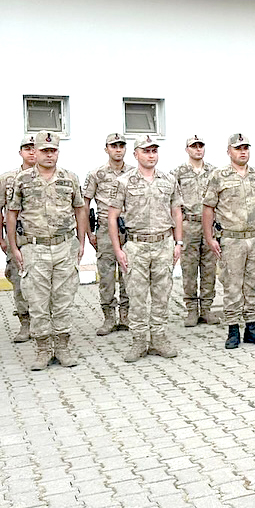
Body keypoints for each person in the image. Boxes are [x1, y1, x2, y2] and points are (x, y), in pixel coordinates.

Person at [6, 131, 88, 371]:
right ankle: (43, 349)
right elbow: (11, 214)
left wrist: (81, 242)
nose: (49, 155)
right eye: (44, 151)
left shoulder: (70, 178)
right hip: (34, 247)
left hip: (64, 246)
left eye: (53, 151)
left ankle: (62, 347)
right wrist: (14, 247)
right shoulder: (22, 180)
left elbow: (80, 209)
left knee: (63, 300)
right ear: (36, 152)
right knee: (38, 301)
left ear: (58, 153)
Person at [109, 136, 184, 363]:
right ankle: (139, 341)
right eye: (146, 151)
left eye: (154, 151)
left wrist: (178, 242)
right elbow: (112, 217)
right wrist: (118, 249)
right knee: (137, 296)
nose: (151, 155)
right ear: (136, 154)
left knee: (162, 295)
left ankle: (159, 338)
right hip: (136, 245)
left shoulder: (168, 180)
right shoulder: (124, 182)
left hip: (163, 244)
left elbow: (177, 212)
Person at [202, 133, 255, 350]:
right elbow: (208, 207)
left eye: (245, 148)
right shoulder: (218, 176)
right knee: (232, 285)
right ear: (229, 151)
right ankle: (233, 328)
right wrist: (209, 237)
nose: (243, 151)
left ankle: (251, 327)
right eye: (238, 148)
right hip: (232, 239)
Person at [84, 133, 133, 335]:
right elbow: (84, 205)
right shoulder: (96, 174)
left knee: (128, 273)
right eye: (114, 146)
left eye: (121, 145)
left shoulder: (133, 172)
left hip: (128, 229)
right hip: (104, 228)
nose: (118, 149)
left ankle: (126, 316)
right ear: (107, 149)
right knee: (106, 275)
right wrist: (89, 233)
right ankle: (108, 318)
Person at [0, 136, 38, 342]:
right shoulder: (7, 179)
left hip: (43, 239)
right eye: (27, 149)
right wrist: (1, 239)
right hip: (17, 239)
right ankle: (25, 323)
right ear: (20, 152)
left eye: (35, 148)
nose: (32, 152)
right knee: (19, 281)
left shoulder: (53, 177)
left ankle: (45, 322)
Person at [172, 135, 218, 327]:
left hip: (209, 226)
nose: (198, 149)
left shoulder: (215, 172)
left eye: (200, 146)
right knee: (189, 269)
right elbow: (173, 202)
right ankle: (191, 309)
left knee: (209, 268)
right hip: (189, 224)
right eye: (194, 146)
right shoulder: (178, 173)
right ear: (187, 150)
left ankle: (206, 309)